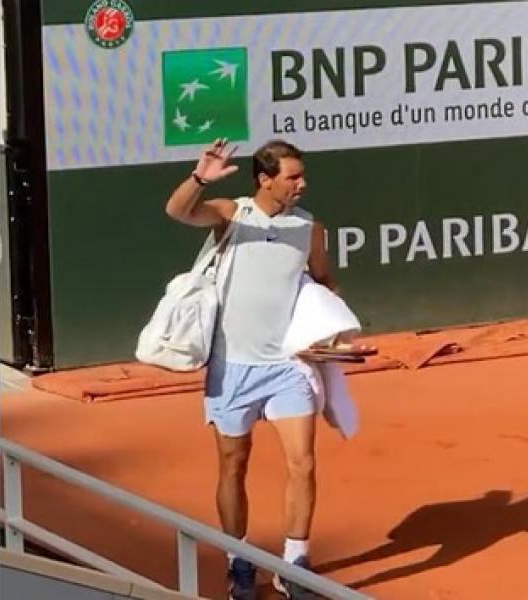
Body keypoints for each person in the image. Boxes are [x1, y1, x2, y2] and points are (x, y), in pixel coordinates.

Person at [164, 138, 334, 599]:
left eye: (301, 175)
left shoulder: (310, 228)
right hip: (233, 368)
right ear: (265, 179)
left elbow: (324, 285)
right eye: (292, 177)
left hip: (287, 367)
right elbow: (178, 211)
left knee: (303, 462)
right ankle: (238, 559)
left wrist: (327, 333)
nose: (302, 184)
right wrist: (199, 178)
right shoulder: (232, 214)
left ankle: (294, 564)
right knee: (233, 464)